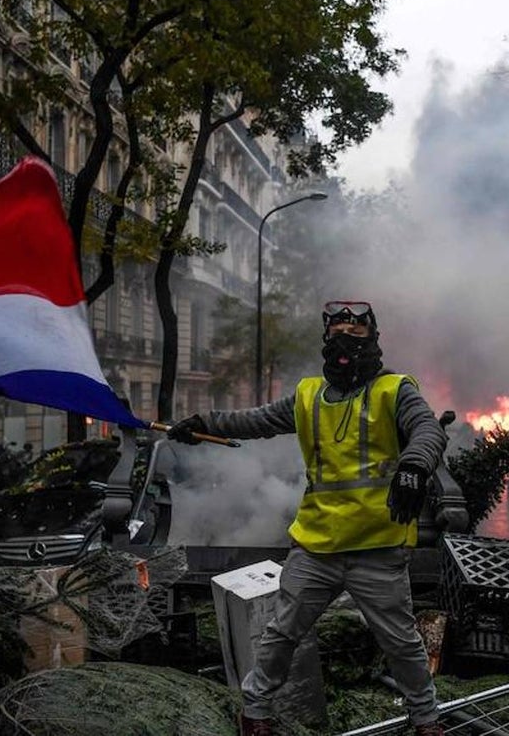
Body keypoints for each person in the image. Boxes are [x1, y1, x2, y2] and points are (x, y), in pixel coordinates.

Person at [168, 300, 447, 736]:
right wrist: (205, 422)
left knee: (402, 643)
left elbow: (428, 429)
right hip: (316, 546)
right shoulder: (308, 395)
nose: (345, 344)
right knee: (281, 633)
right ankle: (255, 712)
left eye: (356, 336)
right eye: (337, 335)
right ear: (325, 340)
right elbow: (256, 421)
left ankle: (426, 720)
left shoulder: (395, 390)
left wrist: (414, 467)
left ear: (373, 339)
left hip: (377, 546)